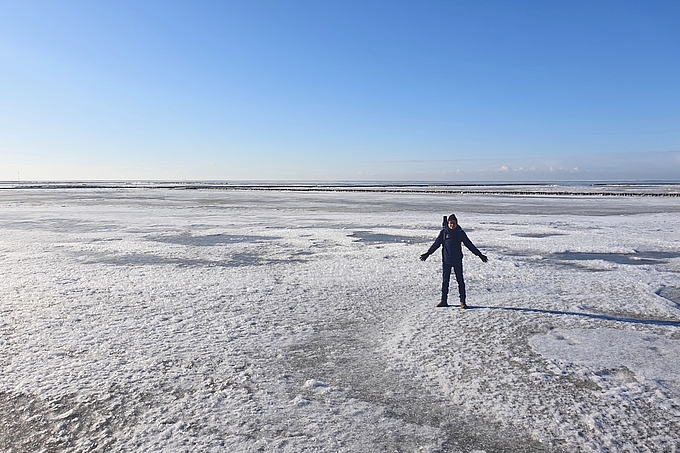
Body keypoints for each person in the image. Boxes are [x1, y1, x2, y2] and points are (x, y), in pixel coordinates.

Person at [420, 214, 487, 308]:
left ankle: (463, 302)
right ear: (448, 223)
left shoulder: (460, 233)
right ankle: (444, 300)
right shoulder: (444, 232)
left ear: (456, 223)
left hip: (457, 260)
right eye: (450, 223)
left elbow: (469, 244)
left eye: (454, 223)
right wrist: (428, 253)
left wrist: (479, 255)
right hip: (446, 260)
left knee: (460, 281)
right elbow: (436, 244)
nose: (452, 225)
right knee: (445, 281)